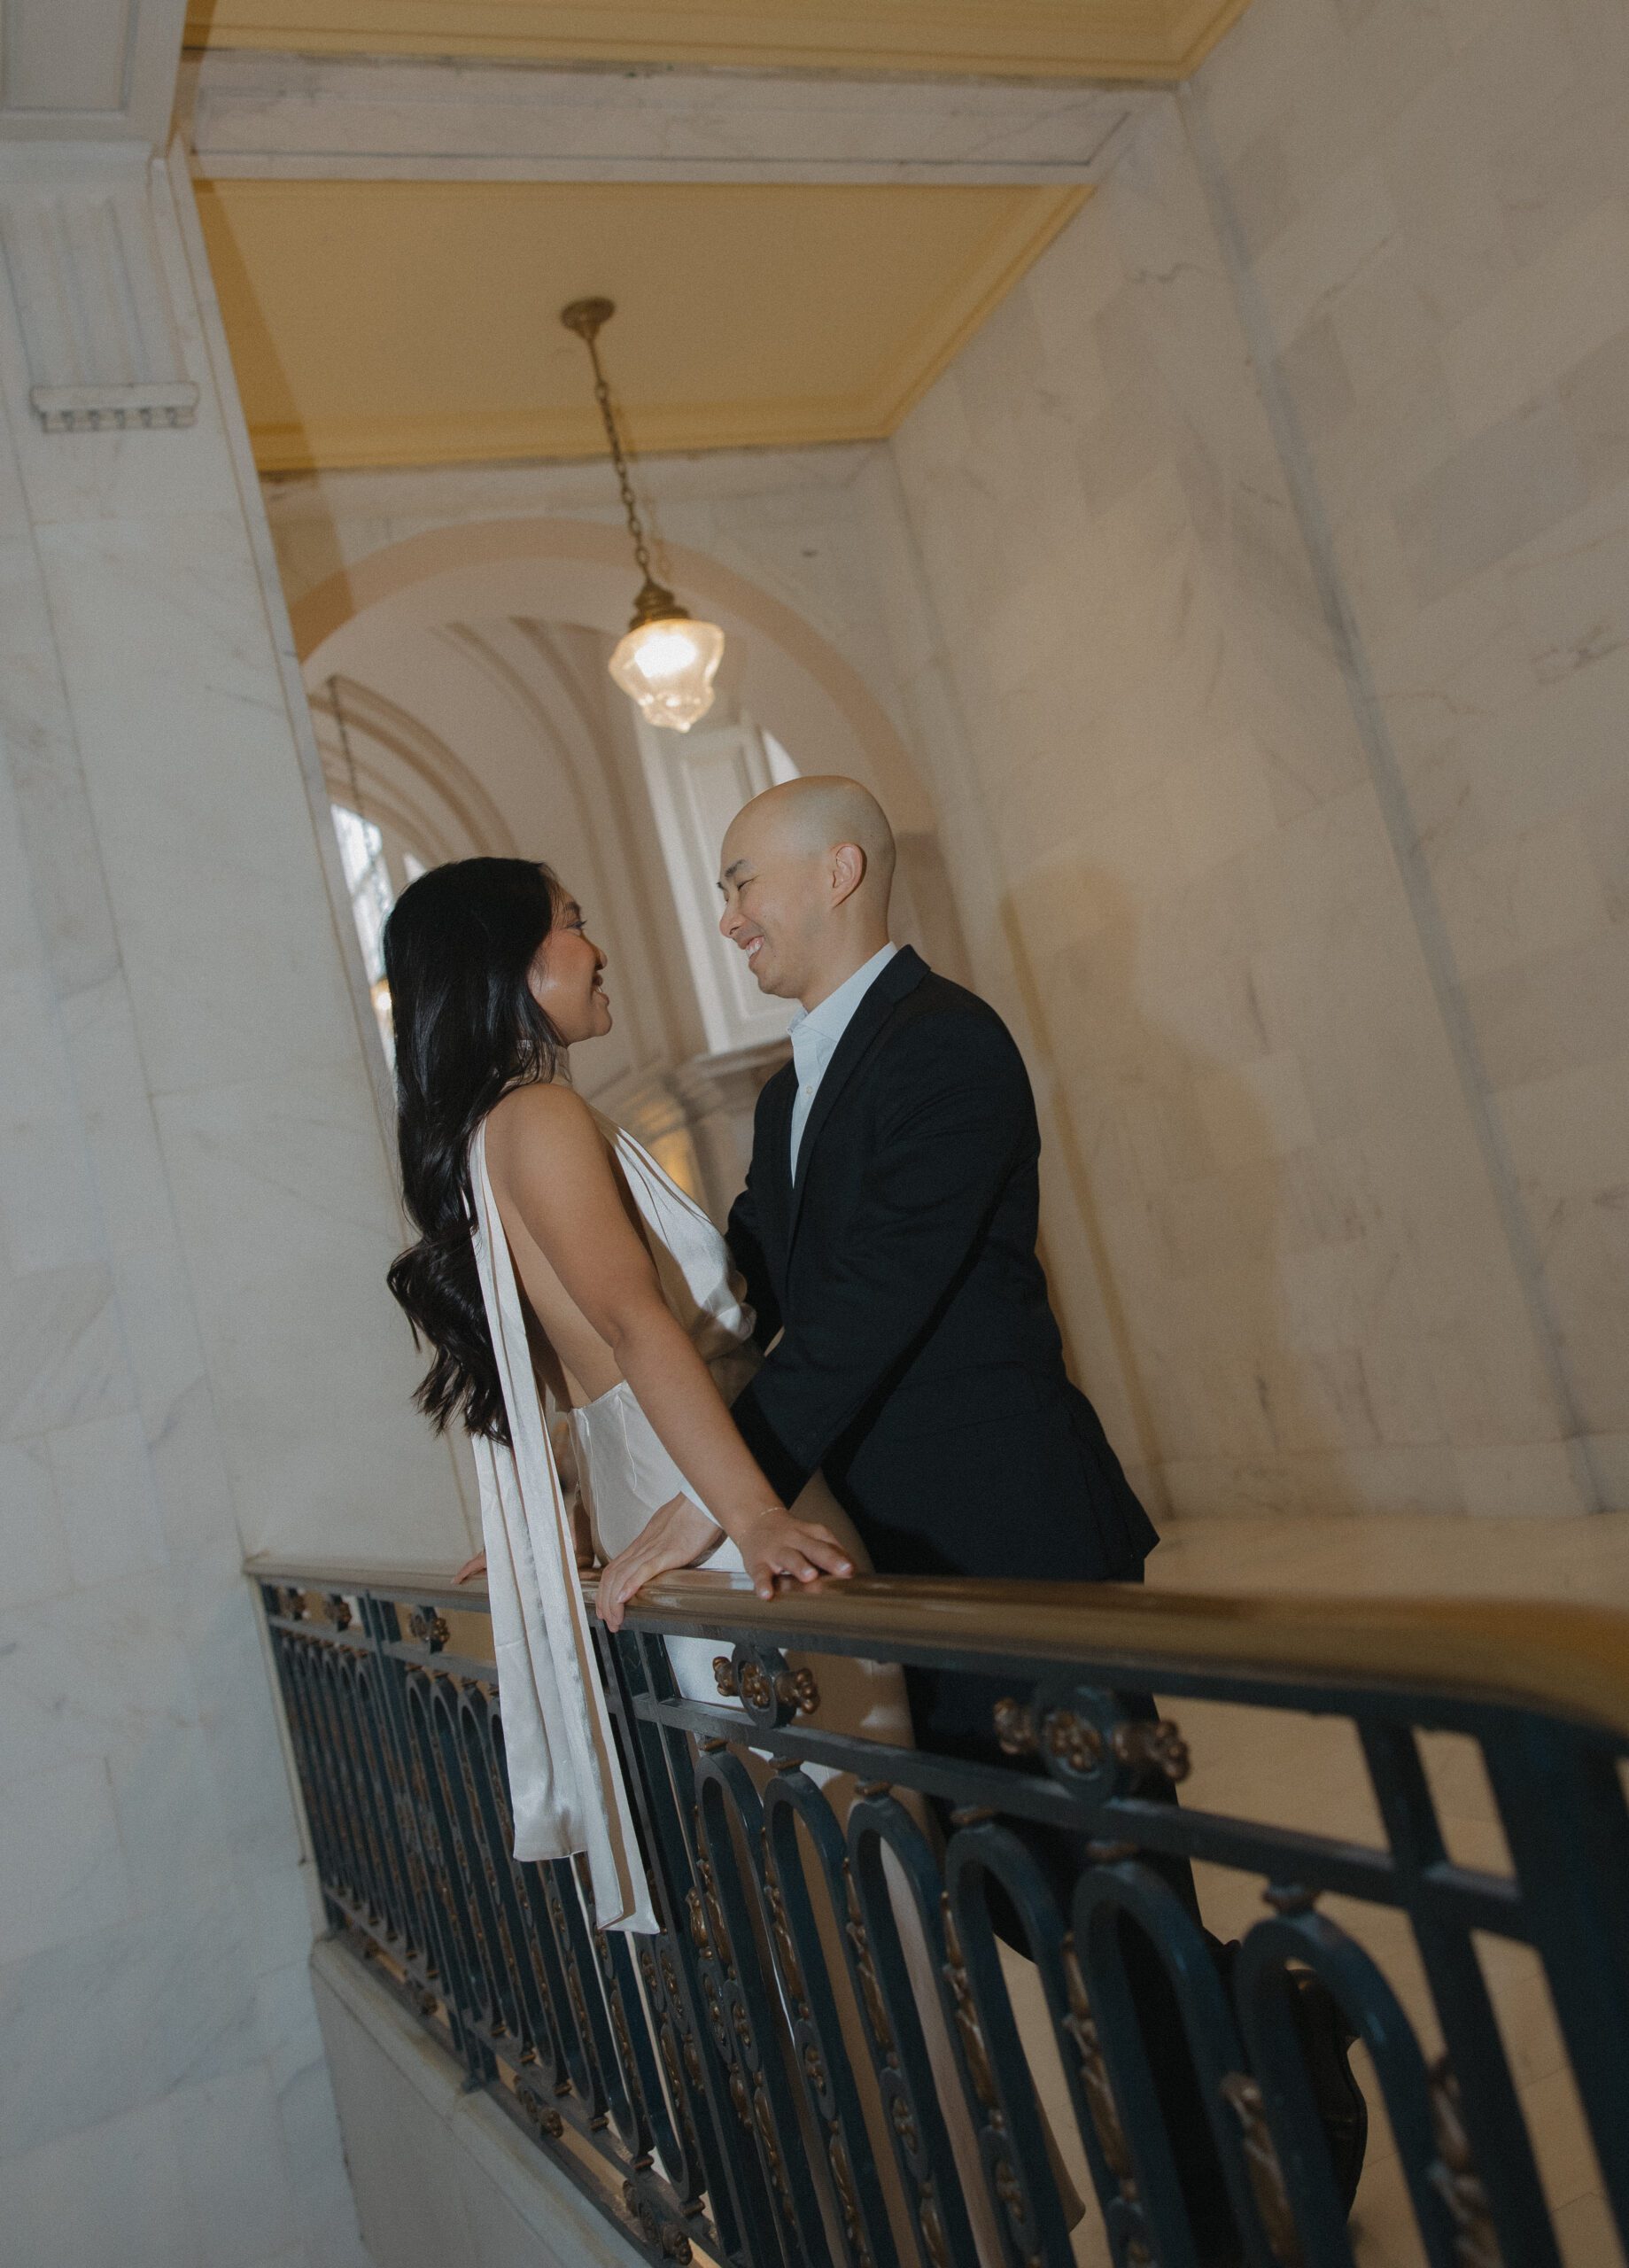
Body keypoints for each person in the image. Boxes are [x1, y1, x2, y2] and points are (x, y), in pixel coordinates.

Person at [381, 856, 859, 1933]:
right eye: (571, 923)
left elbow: (554, 1365)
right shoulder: (539, 1115)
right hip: (703, 1473)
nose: (596, 949)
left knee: (793, 1864)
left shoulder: (490, 1134)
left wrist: (561, 1506)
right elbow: (634, 1324)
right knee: (844, 1837)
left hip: (651, 1464)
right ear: (509, 965)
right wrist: (753, 1511)